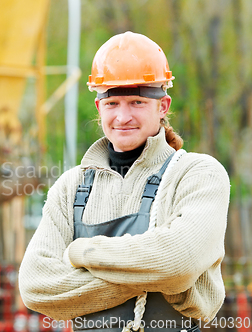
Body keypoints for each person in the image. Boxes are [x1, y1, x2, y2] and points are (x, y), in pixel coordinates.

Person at [19, 31, 230, 332]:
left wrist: (79, 253)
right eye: (113, 103)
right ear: (98, 108)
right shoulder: (70, 188)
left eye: (137, 102)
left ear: (163, 106)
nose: (123, 116)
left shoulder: (197, 174)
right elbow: (35, 285)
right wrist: (155, 278)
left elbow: (177, 262)